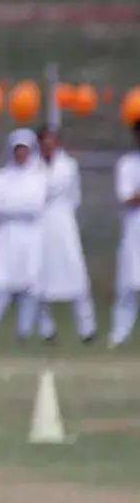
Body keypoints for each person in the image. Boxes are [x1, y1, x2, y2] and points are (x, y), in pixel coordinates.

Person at [0, 130, 47, 342]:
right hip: (4, 235)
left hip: (30, 236)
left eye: (25, 150)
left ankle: (24, 331)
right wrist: (15, 206)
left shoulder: (39, 177)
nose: (21, 154)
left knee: (30, 285)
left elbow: (35, 205)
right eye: (18, 150)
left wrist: (12, 205)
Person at [33, 127, 96, 342]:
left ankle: (87, 329)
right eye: (44, 141)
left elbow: (72, 196)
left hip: (63, 223)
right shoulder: (33, 166)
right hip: (39, 224)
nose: (48, 145)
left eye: (52, 141)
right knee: (38, 278)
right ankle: (46, 329)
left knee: (77, 275)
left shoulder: (68, 165)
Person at [113, 119, 140, 349]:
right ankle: (120, 333)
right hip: (134, 230)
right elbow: (127, 197)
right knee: (128, 285)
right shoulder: (127, 164)